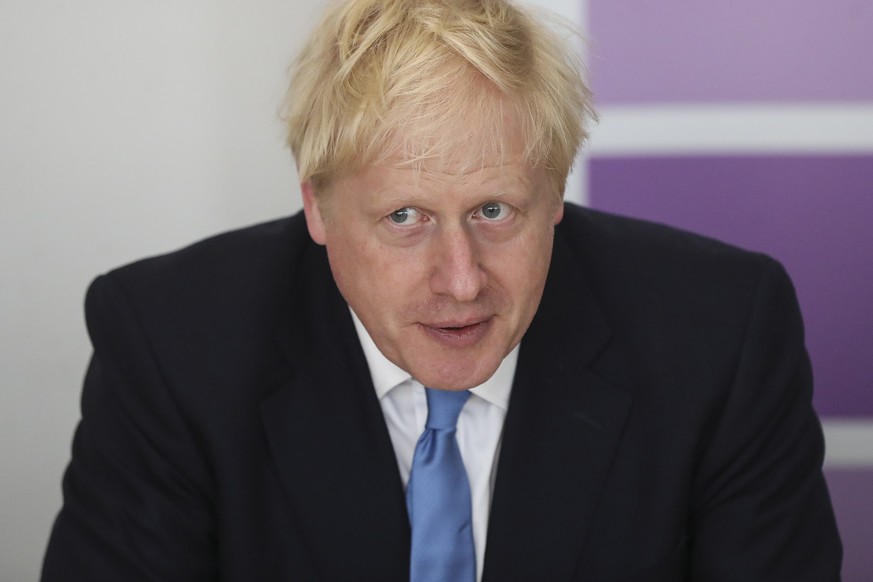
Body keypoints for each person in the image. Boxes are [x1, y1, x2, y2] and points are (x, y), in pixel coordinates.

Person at [42, 0, 841, 579]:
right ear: (316, 205)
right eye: (404, 217)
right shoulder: (171, 342)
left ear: (555, 190)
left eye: (495, 211)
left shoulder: (721, 331)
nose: (460, 281)